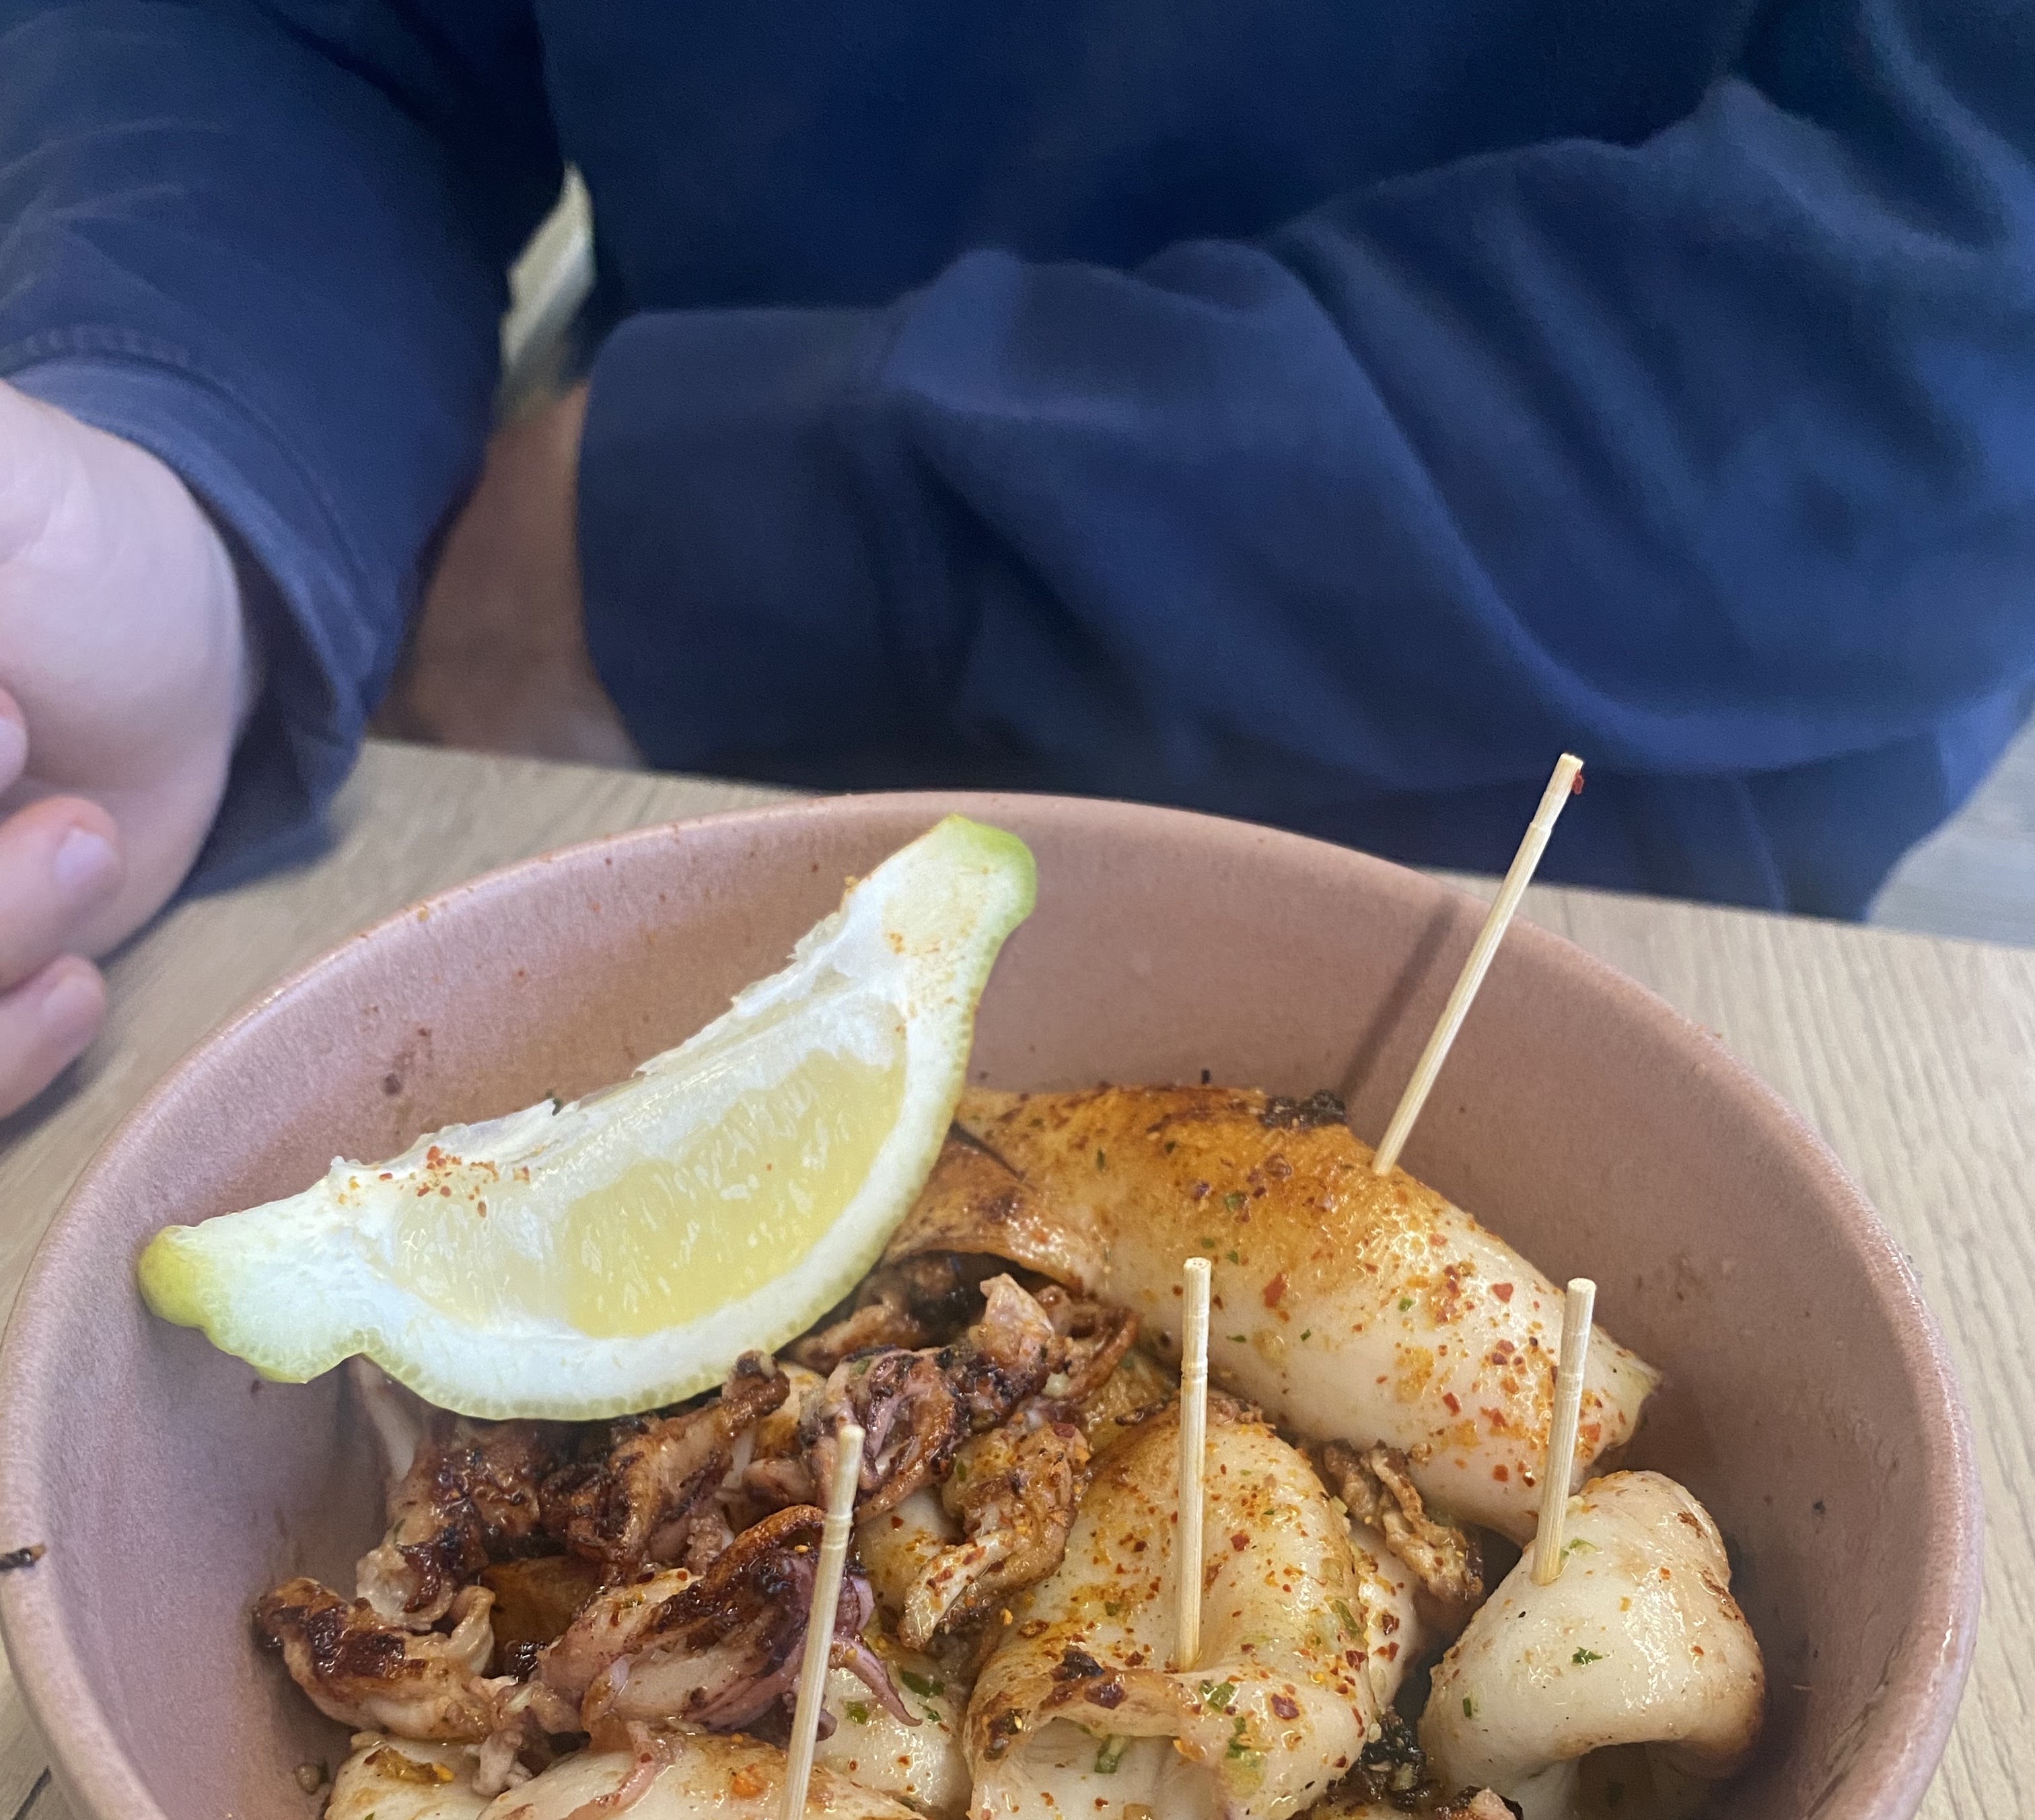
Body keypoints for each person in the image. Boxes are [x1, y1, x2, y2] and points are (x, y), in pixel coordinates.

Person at [1, 1, 2032, 1119]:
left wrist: (724, 533)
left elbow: (1939, 323)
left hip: (1588, 833)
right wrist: (176, 462)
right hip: (595, 781)